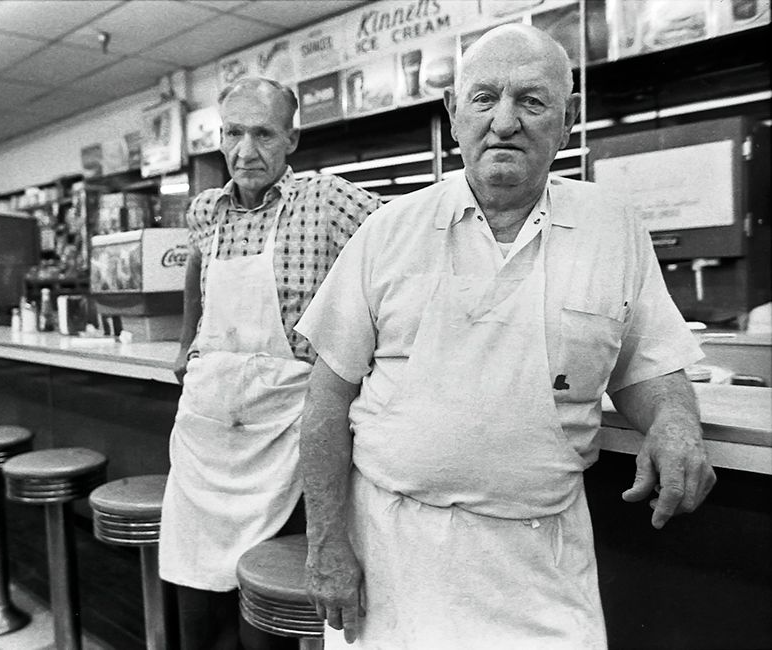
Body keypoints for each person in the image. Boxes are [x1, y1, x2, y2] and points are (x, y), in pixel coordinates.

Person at [294, 24, 716, 649]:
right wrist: (326, 542)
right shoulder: (388, 231)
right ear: (453, 114)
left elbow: (646, 366)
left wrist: (676, 421)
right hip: (393, 554)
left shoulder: (613, 229)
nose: (505, 120)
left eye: (532, 100)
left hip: (540, 560)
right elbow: (326, 399)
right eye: (484, 97)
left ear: (568, 120)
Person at [159, 77, 381, 650]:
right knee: (197, 615)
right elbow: (194, 270)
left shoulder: (325, 200)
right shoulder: (207, 209)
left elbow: (399, 248)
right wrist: (186, 341)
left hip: (284, 439)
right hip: (205, 436)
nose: (244, 150)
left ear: (291, 138)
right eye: (233, 133)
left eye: (262, 134)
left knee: (263, 622)